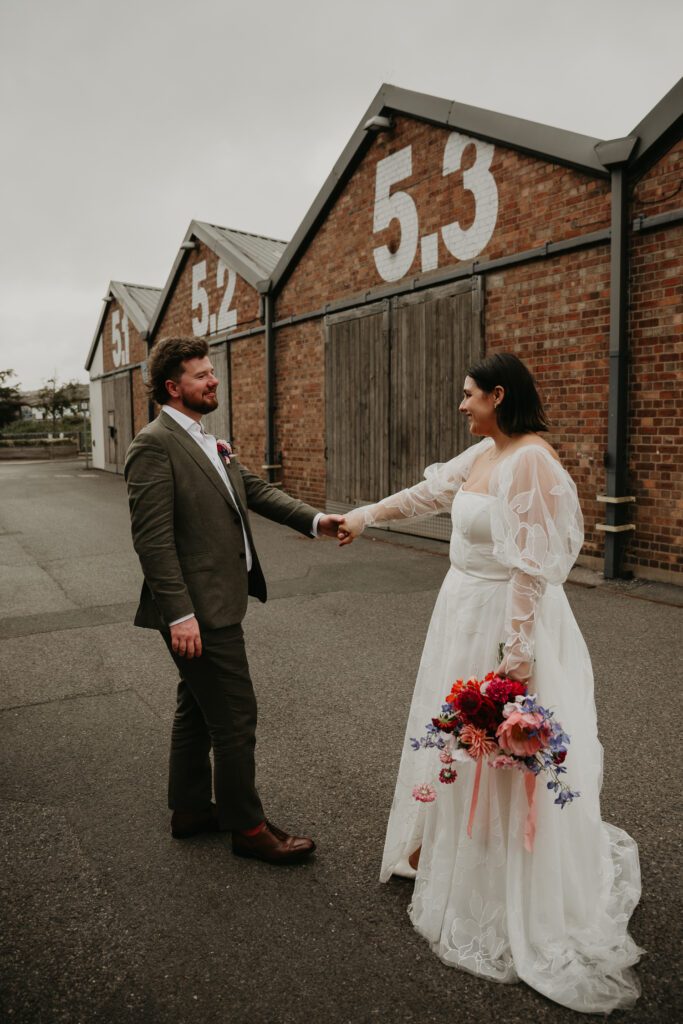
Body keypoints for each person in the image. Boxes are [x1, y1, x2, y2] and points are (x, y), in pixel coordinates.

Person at [337, 353, 642, 1013]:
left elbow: (532, 564)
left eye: (469, 394)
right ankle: (452, 849)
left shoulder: (529, 459)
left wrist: (518, 651)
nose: (461, 404)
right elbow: (427, 495)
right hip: (459, 610)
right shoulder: (483, 451)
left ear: (498, 396)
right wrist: (365, 515)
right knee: (455, 740)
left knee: (497, 749)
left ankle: (507, 879)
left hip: (502, 619)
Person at [125, 336, 342, 865]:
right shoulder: (153, 444)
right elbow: (152, 540)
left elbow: (256, 491)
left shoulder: (207, 440)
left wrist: (317, 520)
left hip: (219, 600)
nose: (213, 380)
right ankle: (247, 828)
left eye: (211, 372)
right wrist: (180, 613)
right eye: (201, 376)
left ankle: (192, 809)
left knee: (197, 707)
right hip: (198, 609)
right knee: (235, 716)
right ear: (173, 388)